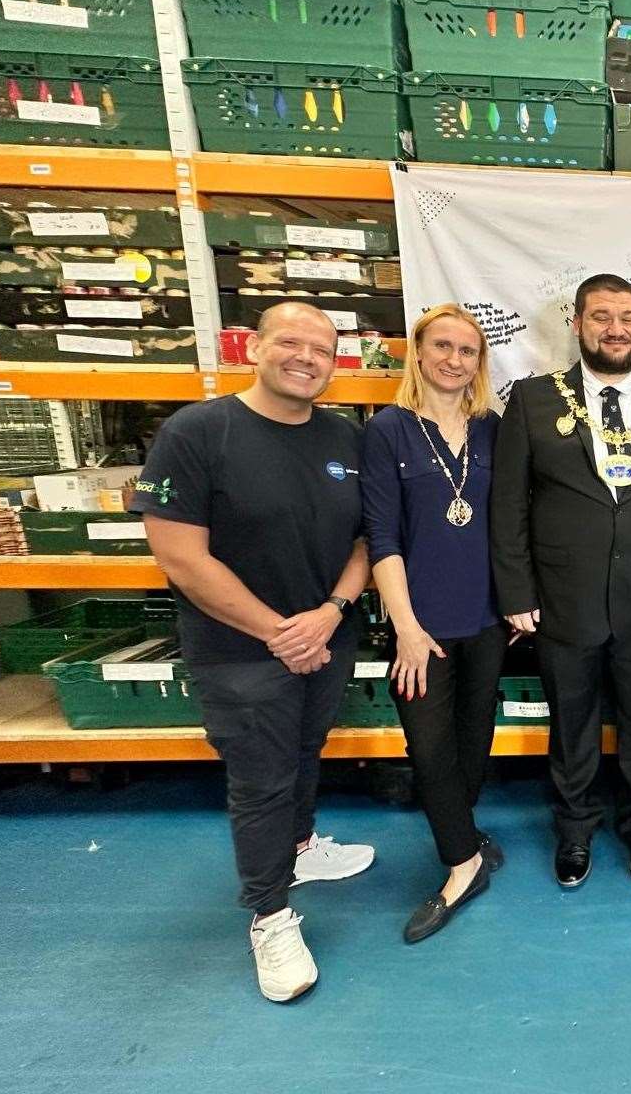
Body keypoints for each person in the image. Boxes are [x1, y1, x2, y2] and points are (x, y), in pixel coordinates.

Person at [132, 302, 374, 1003]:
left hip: (324, 636)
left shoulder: (343, 438)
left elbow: (366, 539)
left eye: (321, 349)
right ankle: (270, 917)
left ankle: (300, 851)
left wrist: (328, 614)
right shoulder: (197, 432)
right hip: (239, 650)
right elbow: (180, 556)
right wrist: (279, 631)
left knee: (304, 751)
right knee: (261, 782)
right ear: (253, 348)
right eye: (290, 343)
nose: (306, 358)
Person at [491, 273, 631, 890]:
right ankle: (575, 830)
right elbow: (509, 506)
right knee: (572, 724)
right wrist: (516, 592)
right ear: (577, 324)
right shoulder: (531, 400)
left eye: (628, 317)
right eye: (602, 316)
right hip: (562, 602)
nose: (616, 329)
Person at [362, 304, 507, 943]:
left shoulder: (492, 430)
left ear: (479, 363)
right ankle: (462, 864)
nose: (454, 360)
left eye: (467, 350)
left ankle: (464, 835)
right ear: (418, 354)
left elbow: (512, 525)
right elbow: (381, 537)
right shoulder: (388, 430)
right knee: (428, 746)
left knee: (474, 739)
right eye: (442, 346)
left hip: (485, 619)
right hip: (420, 624)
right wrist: (406, 626)